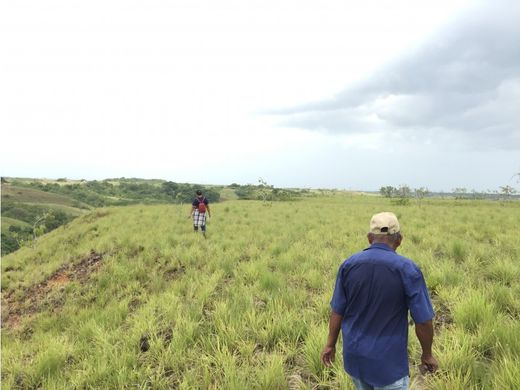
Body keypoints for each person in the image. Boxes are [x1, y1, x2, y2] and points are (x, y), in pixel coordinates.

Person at [321, 212, 438, 390]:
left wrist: (330, 344)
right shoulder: (408, 270)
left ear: (369, 238)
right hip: (388, 364)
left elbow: (338, 311)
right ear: (399, 239)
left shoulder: (348, 265)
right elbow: (422, 320)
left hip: (356, 357)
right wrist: (427, 354)